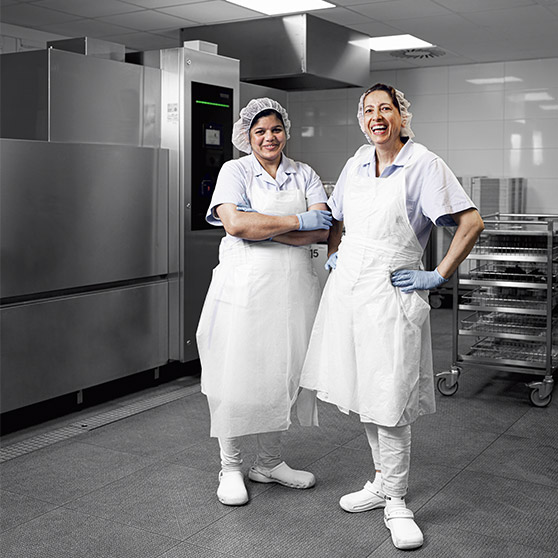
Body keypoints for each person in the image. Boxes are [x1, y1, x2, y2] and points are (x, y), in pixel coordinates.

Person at [299, 84, 484, 550]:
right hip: (349, 292)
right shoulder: (356, 162)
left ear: (402, 115)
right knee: (364, 389)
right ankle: (380, 480)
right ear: (361, 119)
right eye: (368, 110)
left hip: (391, 294)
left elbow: (471, 222)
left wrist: (437, 275)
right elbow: (336, 216)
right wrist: (337, 251)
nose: (377, 117)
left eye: (386, 109)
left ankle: (398, 501)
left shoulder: (423, 164)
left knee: (391, 397)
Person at [196, 98, 332, 506]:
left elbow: (323, 230)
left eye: (275, 129)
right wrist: (294, 221)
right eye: (260, 132)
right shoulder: (234, 170)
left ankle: (269, 462)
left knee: (281, 374)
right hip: (243, 292)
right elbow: (235, 223)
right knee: (235, 377)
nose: (269, 137)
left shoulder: (304, 173)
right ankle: (232, 466)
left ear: (285, 132)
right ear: (247, 137)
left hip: (293, 294)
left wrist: (263, 228)